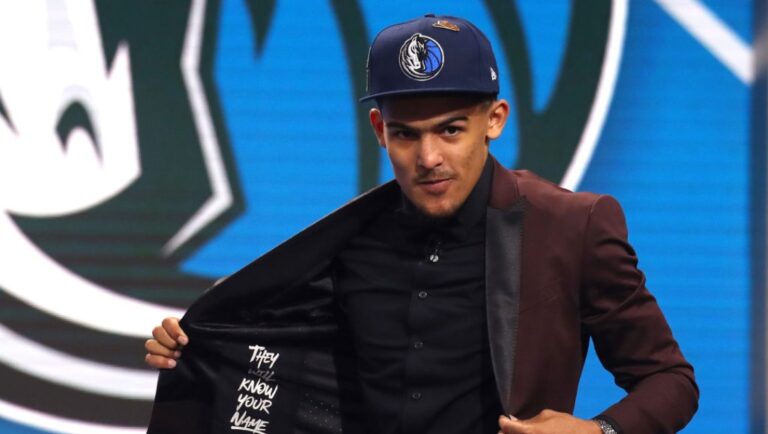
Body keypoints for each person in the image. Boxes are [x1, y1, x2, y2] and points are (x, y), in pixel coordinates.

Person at [144, 14, 698, 434]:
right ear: (379, 130)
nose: (428, 156)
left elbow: (670, 381)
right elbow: (277, 355)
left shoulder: (572, 227)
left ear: (495, 121)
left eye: (451, 130)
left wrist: (599, 431)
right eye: (407, 134)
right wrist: (191, 345)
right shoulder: (349, 241)